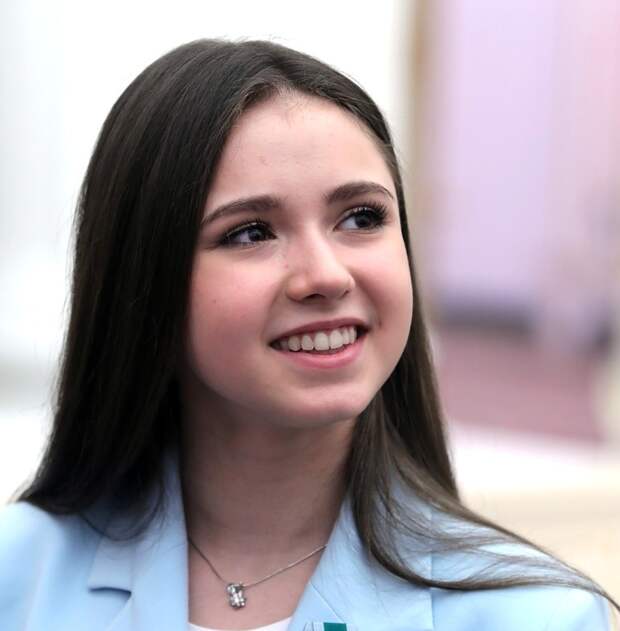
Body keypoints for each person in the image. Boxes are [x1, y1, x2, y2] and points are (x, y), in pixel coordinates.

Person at [0, 39, 617, 631]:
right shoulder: (17, 575)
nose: (325, 275)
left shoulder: (537, 617)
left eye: (361, 218)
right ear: (142, 275)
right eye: (250, 232)